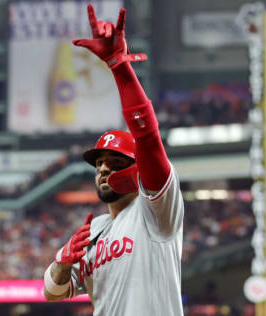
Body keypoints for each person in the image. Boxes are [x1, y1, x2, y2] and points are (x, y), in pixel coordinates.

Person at [42, 4, 184, 316]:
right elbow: (52, 292)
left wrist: (119, 66)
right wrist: (62, 263)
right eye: (99, 163)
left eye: (116, 161)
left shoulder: (155, 212)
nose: (104, 168)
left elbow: (147, 136)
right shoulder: (93, 231)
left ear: (138, 168)